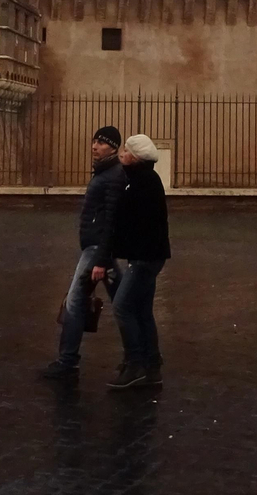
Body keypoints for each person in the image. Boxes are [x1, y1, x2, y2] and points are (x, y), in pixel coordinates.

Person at [41, 125, 127, 380]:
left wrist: (100, 256)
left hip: (96, 249)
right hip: (100, 249)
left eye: (101, 143)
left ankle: (68, 362)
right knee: (124, 303)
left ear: (113, 147)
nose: (94, 146)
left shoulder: (112, 176)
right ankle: (138, 356)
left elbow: (110, 219)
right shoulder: (105, 173)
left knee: (75, 303)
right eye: (94, 141)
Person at [97, 133, 169, 390]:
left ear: (135, 157)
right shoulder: (143, 179)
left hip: (144, 258)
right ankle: (152, 366)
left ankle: (135, 362)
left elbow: (127, 223)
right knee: (142, 311)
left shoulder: (142, 182)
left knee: (122, 307)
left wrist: (107, 255)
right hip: (149, 256)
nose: (121, 154)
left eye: (126, 152)